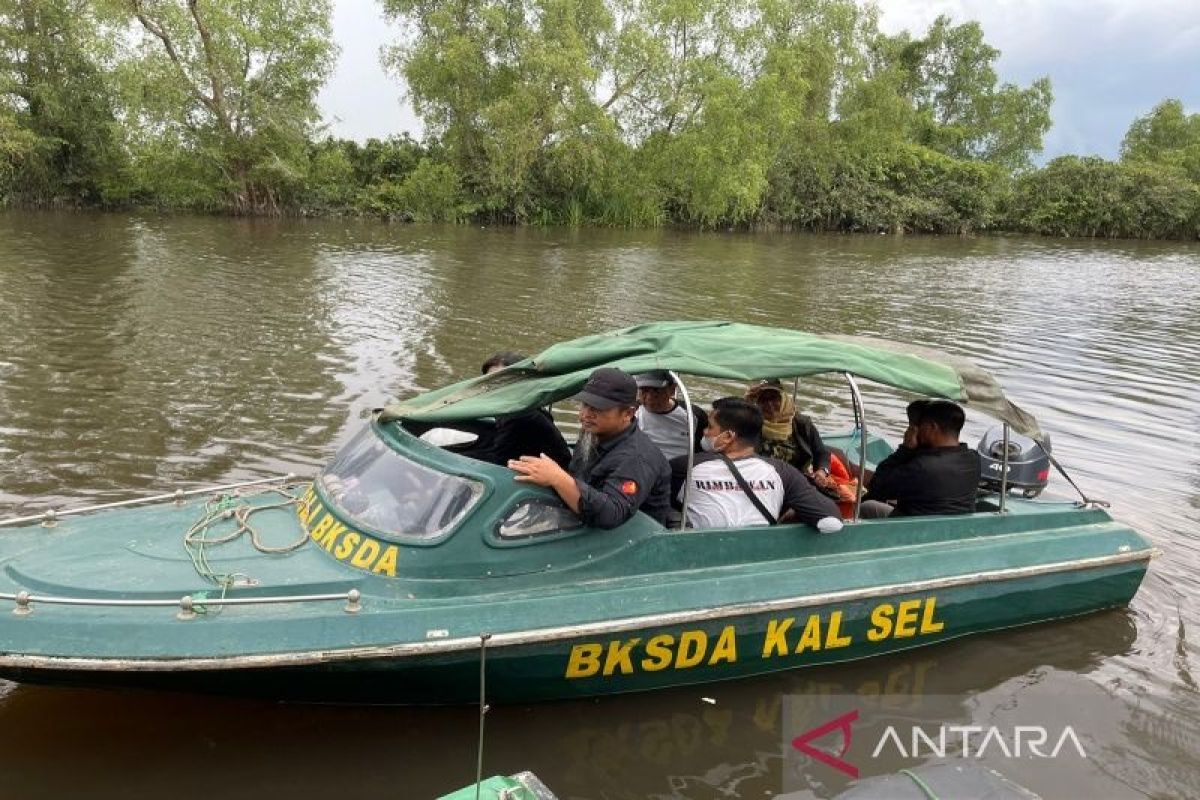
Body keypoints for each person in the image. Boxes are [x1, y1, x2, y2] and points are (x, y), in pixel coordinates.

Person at [509, 367, 671, 529]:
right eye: (585, 404)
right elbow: (576, 475)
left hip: (631, 540)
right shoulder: (593, 431)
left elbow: (612, 514)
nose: (586, 414)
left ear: (628, 413)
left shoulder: (637, 457)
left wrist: (558, 478)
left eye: (598, 408)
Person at [670, 398, 842, 531]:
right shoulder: (783, 472)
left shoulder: (684, 467)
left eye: (709, 427)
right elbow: (832, 520)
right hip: (759, 553)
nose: (705, 432)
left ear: (728, 437)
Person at [859, 399, 982, 518]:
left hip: (915, 530)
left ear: (932, 427)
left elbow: (876, 487)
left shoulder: (922, 466)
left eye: (919, 427)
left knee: (867, 506)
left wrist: (905, 449)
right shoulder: (974, 459)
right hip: (956, 527)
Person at [462, 352, 572, 469]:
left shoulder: (520, 416)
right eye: (491, 381)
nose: (494, 387)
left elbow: (497, 460)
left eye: (502, 382)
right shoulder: (522, 406)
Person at [744, 380, 835, 492]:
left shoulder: (802, 424)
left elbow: (821, 453)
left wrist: (822, 472)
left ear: (783, 399)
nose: (770, 404)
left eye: (774, 398)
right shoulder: (751, 424)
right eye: (764, 400)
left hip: (796, 482)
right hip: (761, 483)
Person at [634, 370, 708, 461]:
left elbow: (704, 448)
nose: (649, 398)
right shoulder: (631, 412)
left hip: (681, 469)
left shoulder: (693, 415)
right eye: (644, 391)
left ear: (672, 390)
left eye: (657, 391)